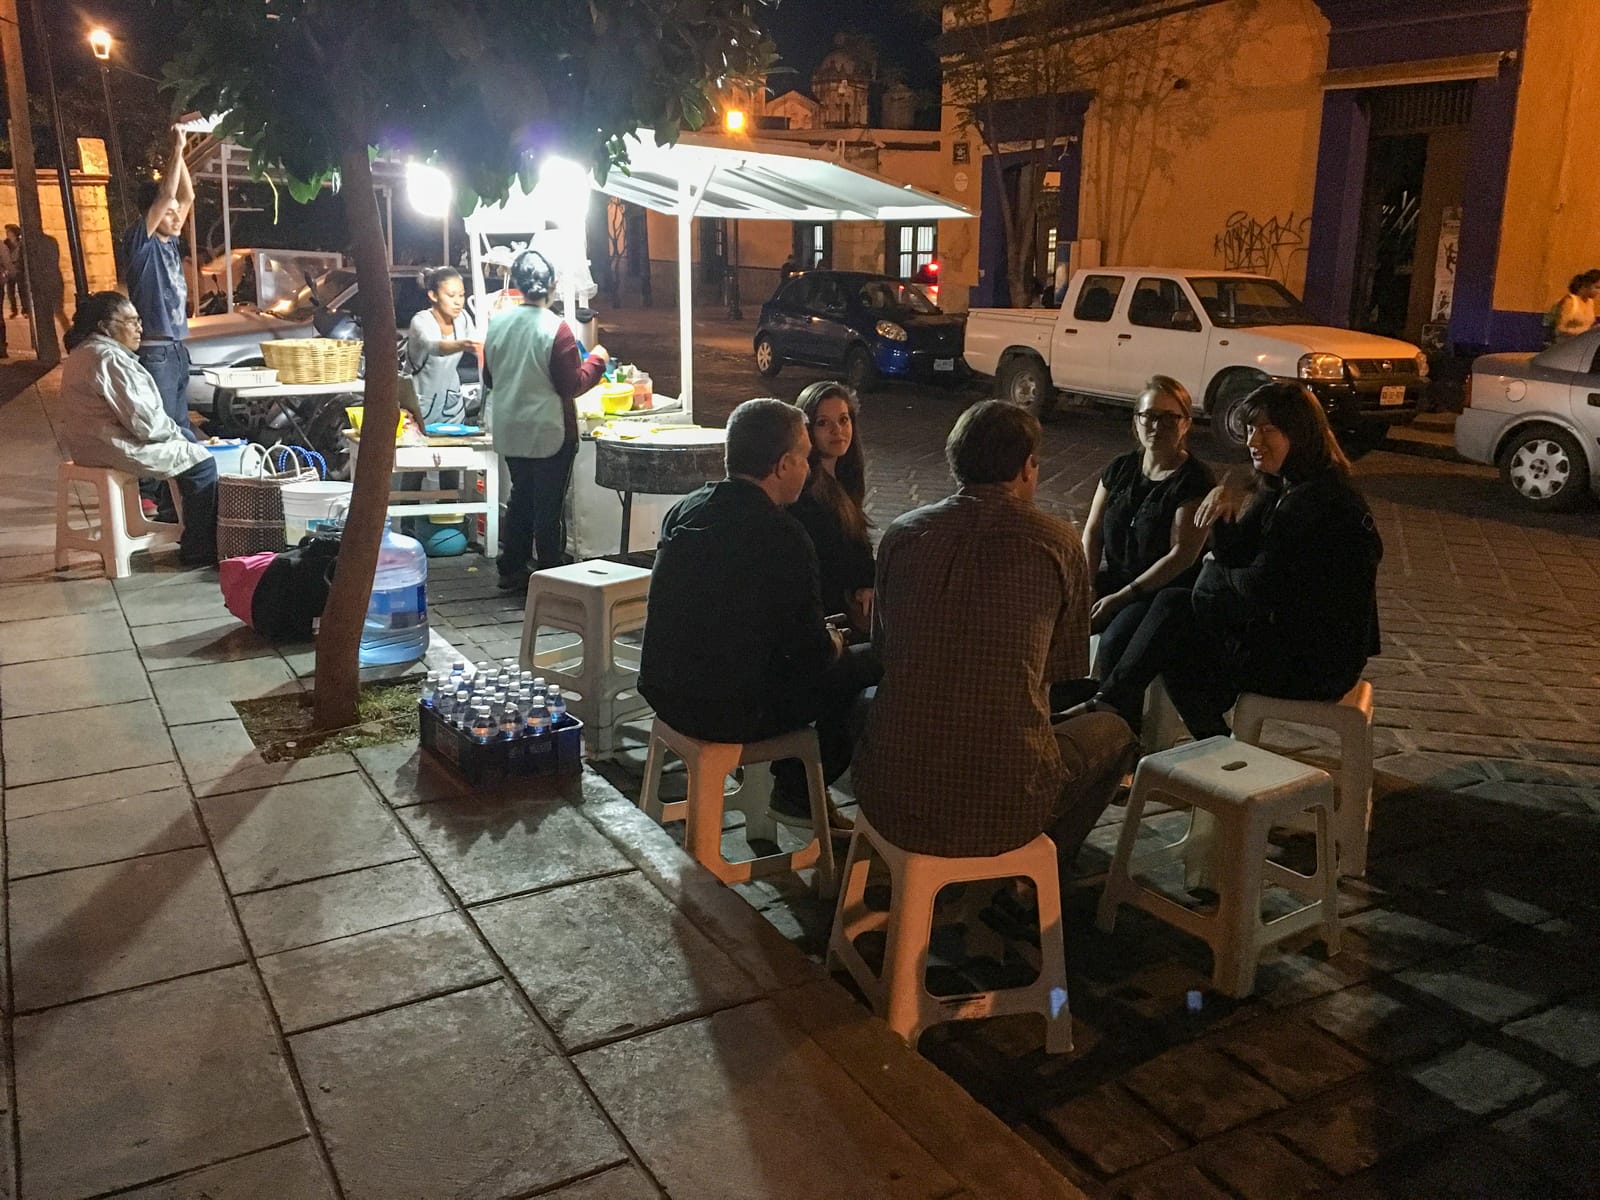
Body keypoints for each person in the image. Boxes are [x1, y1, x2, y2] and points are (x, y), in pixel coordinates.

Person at [853, 400, 1137, 861]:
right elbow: (1060, 669)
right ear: (1027, 467)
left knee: (874, 704)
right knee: (1115, 732)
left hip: (890, 793)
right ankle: (1032, 876)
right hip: (1007, 801)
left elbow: (886, 649)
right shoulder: (1058, 543)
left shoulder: (903, 535)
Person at [1073, 381, 1382, 739]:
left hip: (1315, 662)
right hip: (1283, 637)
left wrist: (1214, 568)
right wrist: (1221, 510)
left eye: (1268, 430)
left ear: (1300, 433)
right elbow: (1235, 552)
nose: (1253, 441)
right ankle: (1202, 742)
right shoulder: (1283, 484)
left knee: (1173, 622)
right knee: (1172, 625)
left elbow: (1255, 584)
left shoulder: (1320, 500)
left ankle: (1121, 710)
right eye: (1250, 429)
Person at [638, 398, 877, 831]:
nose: (809, 469)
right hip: (725, 709)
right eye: (805, 458)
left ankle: (796, 787)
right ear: (784, 464)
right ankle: (800, 791)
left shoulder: (688, 507)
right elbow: (809, 655)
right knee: (867, 664)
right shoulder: (782, 535)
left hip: (663, 688)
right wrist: (835, 642)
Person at [59, 292, 218, 566]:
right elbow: (147, 425)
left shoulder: (83, 353)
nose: (139, 328)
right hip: (113, 447)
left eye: (139, 320)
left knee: (188, 443)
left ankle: (174, 518)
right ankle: (198, 547)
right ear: (104, 326)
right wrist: (179, 435)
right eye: (130, 321)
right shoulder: (110, 359)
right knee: (202, 462)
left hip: (91, 445)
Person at [484, 249, 608, 591]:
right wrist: (597, 360)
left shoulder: (497, 324)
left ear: (520, 285)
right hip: (550, 430)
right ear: (552, 284)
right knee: (549, 504)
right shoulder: (558, 329)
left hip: (511, 428)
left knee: (521, 496)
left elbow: (490, 378)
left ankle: (512, 567)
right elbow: (572, 384)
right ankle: (551, 574)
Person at [1080, 375, 1213, 683]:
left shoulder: (1193, 480)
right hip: (1115, 578)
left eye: (1169, 418)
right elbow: (1093, 530)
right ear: (1137, 419)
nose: (1157, 426)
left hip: (1158, 592)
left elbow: (1182, 555)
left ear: (1185, 424)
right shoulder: (1121, 468)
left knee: (1115, 641)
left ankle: (1119, 721)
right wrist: (1085, 586)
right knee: (1060, 623)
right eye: (1150, 416)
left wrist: (1121, 597)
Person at [121, 128, 197, 440]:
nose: (177, 217)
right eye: (168, 214)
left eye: (177, 214)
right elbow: (167, 195)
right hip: (156, 350)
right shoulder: (142, 242)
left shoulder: (168, 242)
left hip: (176, 349)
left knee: (180, 426)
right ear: (151, 213)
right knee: (163, 429)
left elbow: (185, 196)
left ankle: (173, 489)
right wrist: (177, 147)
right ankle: (152, 489)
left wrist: (184, 155)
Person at [790, 381, 875, 633]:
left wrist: (866, 585)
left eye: (843, 420)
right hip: (829, 619)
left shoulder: (845, 478)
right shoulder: (805, 494)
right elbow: (829, 563)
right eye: (823, 423)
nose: (837, 430)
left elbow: (856, 548)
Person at [401, 266, 481, 495]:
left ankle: (449, 521)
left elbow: (478, 346)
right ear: (433, 295)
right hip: (418, 403)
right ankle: (408, 525)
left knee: (451, 464)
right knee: (414, 466)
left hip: (451, 403)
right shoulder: (421, 321)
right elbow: (434, 346)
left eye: (462, 295)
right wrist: (465, 344)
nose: (458, 302)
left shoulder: (463, 318)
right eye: (451, 295)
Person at [1544, 270, 1600, 344]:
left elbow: (1587, 325)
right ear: (1587, 285)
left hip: (1582, 345)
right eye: (1597, 287)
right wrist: (1583, 333)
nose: (1598, 291)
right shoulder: (1570, 301)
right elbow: (1560, 328)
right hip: (1565, 345)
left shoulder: (1590, 302)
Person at [3, 224, 24, 320]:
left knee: (22, 290)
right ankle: (14, 310)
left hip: (19, 268)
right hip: (9, 268)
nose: (7, 233)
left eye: (9, 232)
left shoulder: (21, 244)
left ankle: (25, 310)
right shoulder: (5, 244)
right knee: (10, 291)